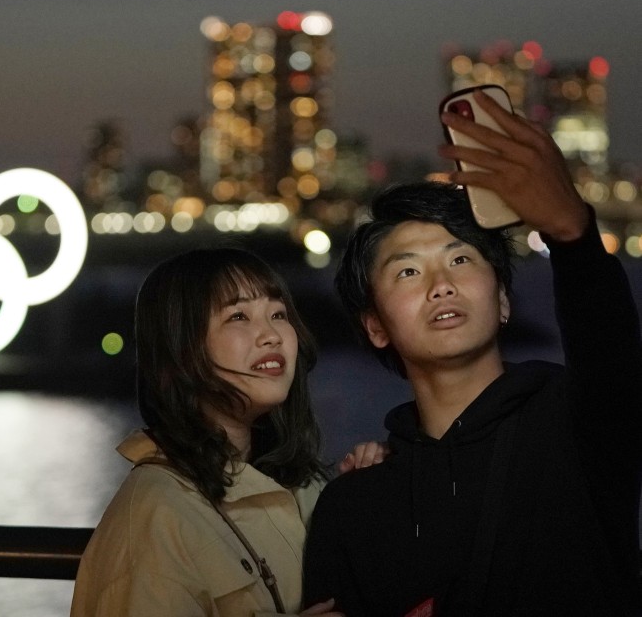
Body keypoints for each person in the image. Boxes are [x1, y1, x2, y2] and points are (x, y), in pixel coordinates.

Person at [303, 88, 642, 615]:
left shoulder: (578, 425)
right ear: (375, 326)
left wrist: (572, 232)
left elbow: (612, 351)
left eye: (461, 260)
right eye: (408, 271)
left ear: (504, 300)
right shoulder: (355, 505)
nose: (440, 284)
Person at [71, 247, 354, 616]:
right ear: (181, 350)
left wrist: (366, 493)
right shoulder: (155, 517)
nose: (271, 335)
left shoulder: (298, 483)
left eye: (278, 313)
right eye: (238, 316)